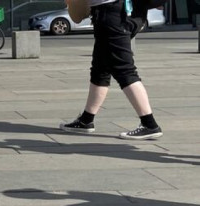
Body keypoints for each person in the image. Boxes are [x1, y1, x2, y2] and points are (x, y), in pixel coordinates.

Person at [59, 0, 162, 140]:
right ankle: (86, 120)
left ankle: (149, 124)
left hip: (113, 13)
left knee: (124, 70)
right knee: (100, 68)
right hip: (128, 11)